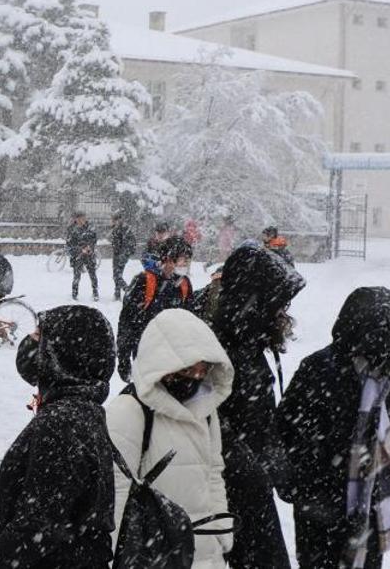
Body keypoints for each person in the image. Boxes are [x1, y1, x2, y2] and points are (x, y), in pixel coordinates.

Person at [0, 306, 117, 568]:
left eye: (39, 336)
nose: (30, 342)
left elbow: (39, 527)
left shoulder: (62, 422)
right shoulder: (83, 410)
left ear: (63, 354)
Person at [278, 287, 390, 569]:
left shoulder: (387, 371)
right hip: (320, 506)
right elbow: (286, 428)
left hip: (370, 503)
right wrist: (301, 486)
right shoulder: (319, 368)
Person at [107, 309, 235, 568]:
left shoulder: (206, 411)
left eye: (203, 370)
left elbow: (213, 471)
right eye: (188, 370)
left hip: (206, 554)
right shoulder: (130, 411)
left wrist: (222, 532)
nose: (197, 378)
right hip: (152, 554)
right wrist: (108, 557)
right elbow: (115, 493)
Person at [211, 244, 304, 569]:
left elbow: (261, 425)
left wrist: (283, 473)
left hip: (250, 499)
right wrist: (253, 471)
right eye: (278, 304)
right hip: (230, 505)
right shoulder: (223, 353)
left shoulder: (248, 347)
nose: (283, 313)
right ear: (255, 302)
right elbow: (212, 429)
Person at [116, 237, 194, 382]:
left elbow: (190, 319)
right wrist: (123, 357)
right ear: (168, 259)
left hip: (173, 354)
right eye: (182, 260)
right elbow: (126, 321)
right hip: (145, 351)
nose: (185, 265)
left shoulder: (184, 284)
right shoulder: (144, 281)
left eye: (187, 260)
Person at [66, 212, 99, 301]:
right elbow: (69, 244)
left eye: (84, 218)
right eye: (80, 219)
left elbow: (94, 239)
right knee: (77, 276)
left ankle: (95, 292)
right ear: (76, 219)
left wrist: (90, 247)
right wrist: (80, 250)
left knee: (92, 274)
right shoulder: (72, 229)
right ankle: (74, 293)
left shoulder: (90, 227)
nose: (82, 220)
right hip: (78, 256)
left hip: (89, 254)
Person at [110, 212, 137, 301]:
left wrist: (124, 254)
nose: (112, 222)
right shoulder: (116, 228)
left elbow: (129, 243)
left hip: (121, 256)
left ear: (118, 220)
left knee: (116, 275)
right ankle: (117, 293)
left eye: (114, 220)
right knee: (117, 275)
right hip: (117, 254)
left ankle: (128, 290)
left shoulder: (124, 229)